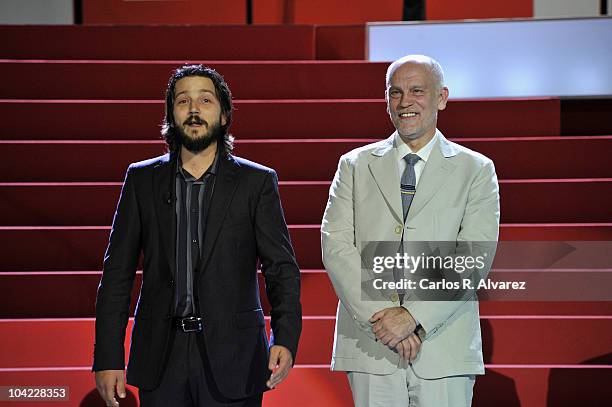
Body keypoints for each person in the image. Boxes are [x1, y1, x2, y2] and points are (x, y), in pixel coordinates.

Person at [93, 64, 302, 407]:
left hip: (235, 357)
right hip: (161, 358)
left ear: (223, 115)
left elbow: (281, 269)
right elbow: (117, 275)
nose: (193, 110)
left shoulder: (256, 182)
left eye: (205, 100)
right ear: (170, 115)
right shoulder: (141, 180)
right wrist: (108, 356)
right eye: (183, 101)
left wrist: (286, 338)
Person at [321, 55, 500, 406]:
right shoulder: (354, 165)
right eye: (396, 92)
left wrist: (413, 317)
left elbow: (474, 255)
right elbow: (336, 245)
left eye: (417, 90)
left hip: (444, 345)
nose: (405, 102)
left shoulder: (475, 169)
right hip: (371, 342)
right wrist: (385, 320)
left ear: (442, 97)